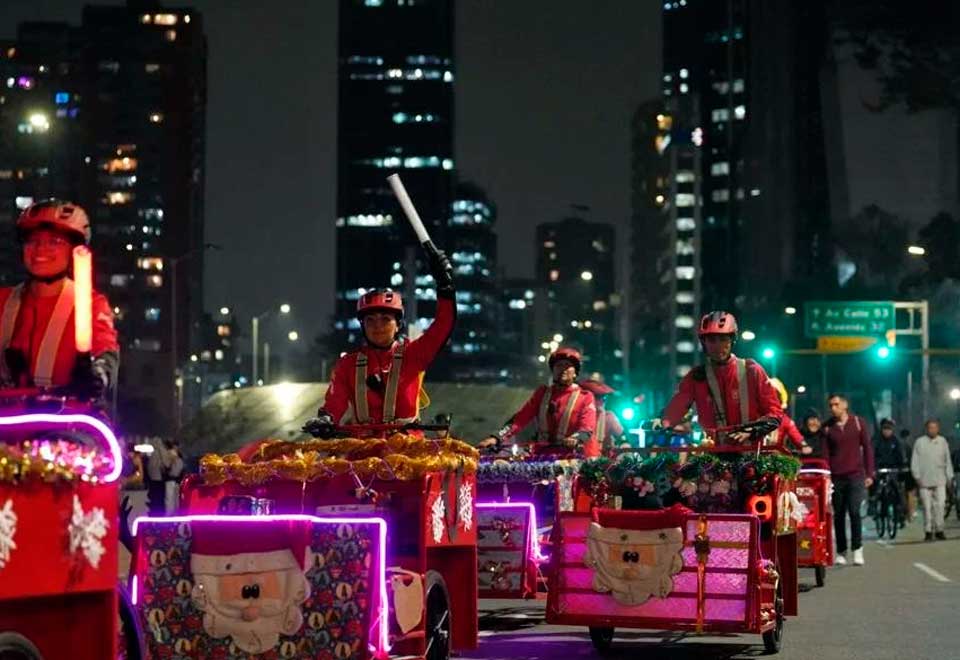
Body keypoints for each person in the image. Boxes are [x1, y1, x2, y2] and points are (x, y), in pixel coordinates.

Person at [304, 245, 455, 437]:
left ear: (398, 324)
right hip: (363, 454)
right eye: (370, 320)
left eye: (385, 319)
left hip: (409, 454)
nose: (378, 326)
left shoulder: (414, 354)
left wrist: (445, 288)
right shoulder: (347, 365)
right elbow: (335, 402)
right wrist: (326, 420)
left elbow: (443, 325)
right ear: (362, 325)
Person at [0, 199, 118, 398]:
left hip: (65, 421)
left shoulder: (89, 304)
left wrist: (97, 373)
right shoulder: (4, 300)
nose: (40, 249)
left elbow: (104, 348)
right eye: (33, 241)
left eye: (54, 241)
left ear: (74, 250)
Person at [661, 311, 782, 443]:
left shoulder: (752, 370)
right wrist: (663, 423)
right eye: (712, 340)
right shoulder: (696, 377)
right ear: (704, 343)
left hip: (752, 454)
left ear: (732, 340)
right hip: (712, 456)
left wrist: (751, 431)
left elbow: (774, 413)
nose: (718, 346)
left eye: (723, 339)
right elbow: (675, 409)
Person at [480, 347, 596, 453]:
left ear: (575, 373)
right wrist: (496, 438)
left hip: (570, 456)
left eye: (567, 365)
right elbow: (520, 419)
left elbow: (587, 427)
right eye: (558, 365)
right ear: (553, 370)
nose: (563, 369)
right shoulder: (542, 393)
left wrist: (575, 438)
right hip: (540, 455)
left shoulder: (585, 397)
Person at [824, 393, 874, 566]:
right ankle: (842, 551)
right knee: (838, 515)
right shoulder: (828, 427)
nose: (833, 408)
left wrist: (869, 474)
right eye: (830, 405)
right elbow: (825, 454)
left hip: (856, 475)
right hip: (836, 477)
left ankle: (857, 548)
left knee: (854, 511)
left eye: (836, 404)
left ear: (845, 405)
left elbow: (867, 448)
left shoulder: (858, 423)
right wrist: (827, 476)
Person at [911, 419, 954, 541]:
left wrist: (949, 477)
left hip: (940, 479)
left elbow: (947, 460)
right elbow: (915, 461)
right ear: (926, 429)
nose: (932, 430)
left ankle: (940, 529)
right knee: (926, 507)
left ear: (938, 429)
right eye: (930, 427)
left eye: (935, 427)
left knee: (940, 505)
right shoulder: (919, 442)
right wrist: (917, 476)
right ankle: (928, 531)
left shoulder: (942, 442)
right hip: (924, 481)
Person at [579, 376, 625, 454]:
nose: (602, 401)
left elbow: (622, 437)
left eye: (604, 397)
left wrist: (624, 445)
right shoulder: (577, 415)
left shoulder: (608, 417)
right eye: (597, 397)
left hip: (601, 462)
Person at [768, 377, 812, 454]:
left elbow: (797, 437)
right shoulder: (756, 415)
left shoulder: (785, 420)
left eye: (774, 395)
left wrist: (804, 446)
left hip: (775, 459)